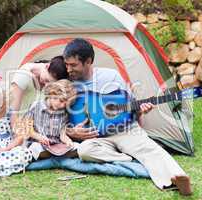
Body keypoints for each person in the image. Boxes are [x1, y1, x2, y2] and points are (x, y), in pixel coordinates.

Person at [63, 38, 192, 196]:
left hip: (124, 129)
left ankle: (176, 177)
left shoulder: (111, 77)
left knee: (149, 148)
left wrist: (140, 111)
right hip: (96, 137)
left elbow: (131, 106)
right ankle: (127, 157)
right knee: (84, 151)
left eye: (73, 65)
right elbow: (54, 118)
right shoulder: (66, 84)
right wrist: (71, 132)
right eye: (67, 64)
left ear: (88, 61)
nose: (68, 69)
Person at [25, 79, 78, 160]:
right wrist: (39, 137)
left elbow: (62, 134)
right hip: (39, 143)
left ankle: (55, 156)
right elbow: (28, 130)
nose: (63, 105)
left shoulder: (64, 113)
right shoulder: (36, 106)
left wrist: (68, 141)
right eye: (61, 101)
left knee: (77, 147)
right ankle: (56, 157)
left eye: (66, 104)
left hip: (56, 145)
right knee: (35, 149)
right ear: (52, 94)